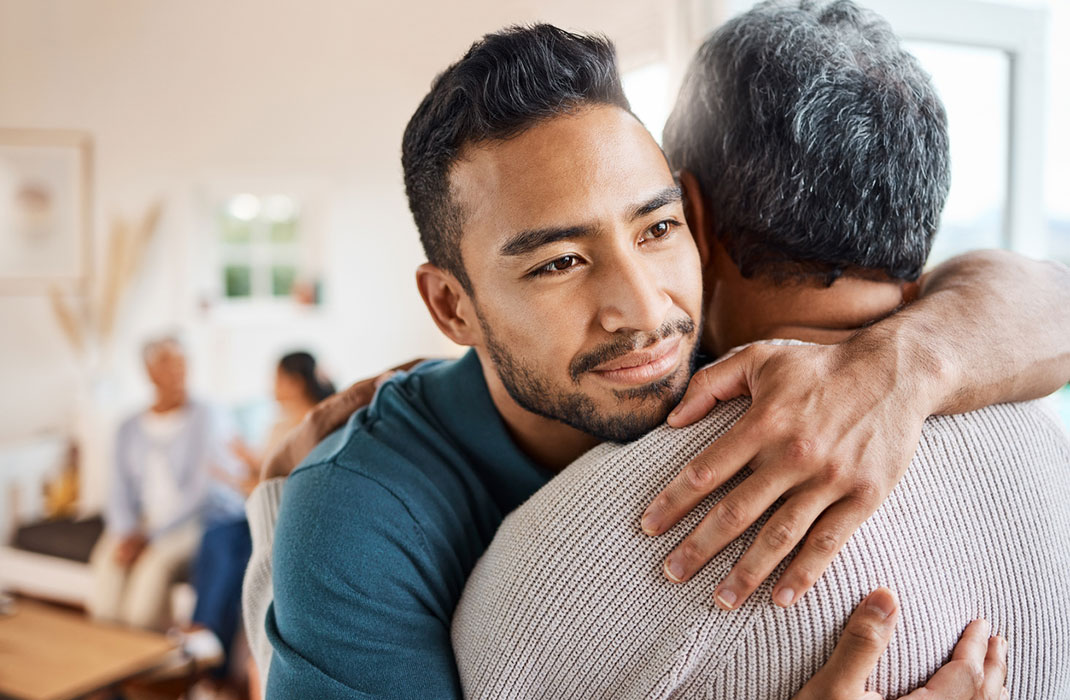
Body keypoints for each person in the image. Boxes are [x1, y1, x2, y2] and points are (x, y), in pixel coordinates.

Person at [243, 21, 1070, 699]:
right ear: (452, 306)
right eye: (558, 262)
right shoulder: (354, 520)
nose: (644, 310)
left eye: (656, 228)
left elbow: (1048, 298)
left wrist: (901, 367)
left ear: (696, 223)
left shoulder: (728, 352)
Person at [183, 351, 335, 698]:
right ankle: (204, 643)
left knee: (228, 552)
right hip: (262, 510)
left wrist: (229, 477)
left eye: (277, 377)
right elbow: (266, 469)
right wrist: (240, 460)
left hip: (285, 516)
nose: (272, 386)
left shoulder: (310, 425)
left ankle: (209, 659)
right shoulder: (283, 422)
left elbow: (277, 485)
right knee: (215, 537)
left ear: (294, 381)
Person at [89, 336, 244, 631]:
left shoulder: (206, 416)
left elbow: (200, 490)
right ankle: (105, 651)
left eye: (182, 363)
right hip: (141, 523)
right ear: (149, 372)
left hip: (191, 520)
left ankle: (145, 657)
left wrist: (148, 535)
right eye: (167, 364)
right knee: (107, 564)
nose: (178, 372)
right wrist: (125, 532)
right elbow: (118, 488)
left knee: (152, 570)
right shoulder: (128, 426)